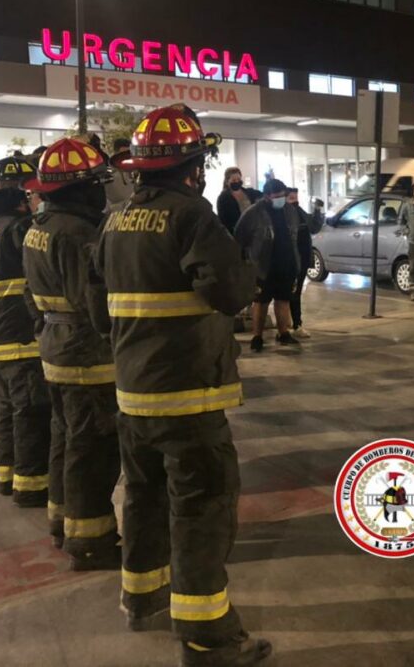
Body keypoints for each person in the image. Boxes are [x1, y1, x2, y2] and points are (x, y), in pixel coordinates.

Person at [95, 105, 269, 665]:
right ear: (193, 168)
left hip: (132, 395)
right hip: (187, 397)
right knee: (202, 509)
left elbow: (98, 312)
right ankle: (206, 637)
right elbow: (230, 293)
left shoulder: (114, 220)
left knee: (143, 497)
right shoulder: (192, 217)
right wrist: (247, 265)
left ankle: (143, 598)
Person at [22, 138, 121, 568]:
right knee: (93, 449)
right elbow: (96, 307)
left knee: (65, 440)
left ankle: (62, 523)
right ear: (80, 188)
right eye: (97, 184)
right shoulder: (80, 234)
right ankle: (90, 542)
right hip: (87, 358)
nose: (102, 191)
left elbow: (30, 297)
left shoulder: (39, 227)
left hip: (55, 348)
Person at [0, 155, 51, 507]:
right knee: (30, 411)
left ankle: (8, 476)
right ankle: (31, 487)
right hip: (18, 336)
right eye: (30, 193)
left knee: (7, 409)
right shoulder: (20, 229)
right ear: (19, 196)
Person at [234, 178, 300, 351]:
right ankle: (257, 336)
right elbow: (239, 236)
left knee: (283, 299)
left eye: (282, 196)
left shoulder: (289, 210)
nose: (280, 199)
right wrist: (246, 260)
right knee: (261, 302)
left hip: (286, 263)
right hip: (263, 266)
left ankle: (283, 333)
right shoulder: (253, 212)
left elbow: (296, 235)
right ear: (267, 196)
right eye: (276, 197)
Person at [284, 187, 323, 337]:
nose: (295, 201)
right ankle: (291, 324)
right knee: (289, 293)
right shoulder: (285, 215)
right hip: (290, 259)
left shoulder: (299, 212)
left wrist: (317, 210)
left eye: (296, 198)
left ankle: (295, 324)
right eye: (291, 198)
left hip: (302, 259)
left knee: (296, 292)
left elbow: (313, 227)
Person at [216, 167, 261, 235]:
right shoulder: (223, 198)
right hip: (235, 233)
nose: (237, 182)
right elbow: (223, 221)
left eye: (239, 179)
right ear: (227, 182)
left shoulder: (249, 192)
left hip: (252, 231)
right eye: (234, 180)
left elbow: (264, 194)